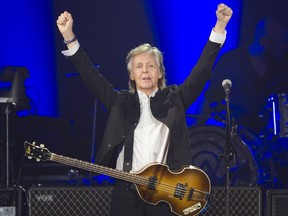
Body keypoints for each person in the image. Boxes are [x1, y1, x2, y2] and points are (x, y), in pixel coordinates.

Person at [56, 3, 232, 216]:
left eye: (150, 65)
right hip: (127, 192)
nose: (145, 70)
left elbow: (202, 70)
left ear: (160, 73)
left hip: (166, 194)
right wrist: (69, 37)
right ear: (131, 75)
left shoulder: (175, 98)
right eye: (139, 66)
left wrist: (220, 26)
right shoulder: (120, 102)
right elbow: (90, 75)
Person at [201, 16, 288, 137]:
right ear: (264, 42)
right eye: (280, 43)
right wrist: (196, 132)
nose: (285, 48)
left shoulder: (278, 67)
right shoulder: (231, 61)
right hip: (233, 138)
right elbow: (210, 97)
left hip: (265, 142)